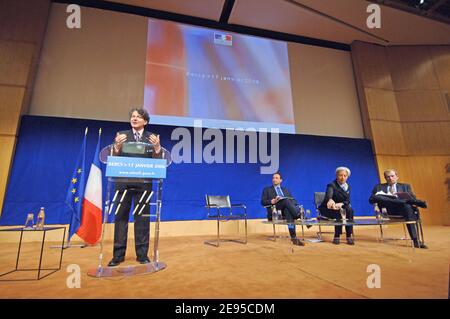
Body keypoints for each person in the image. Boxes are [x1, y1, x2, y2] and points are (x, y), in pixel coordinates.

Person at [108, 108, 163, 267]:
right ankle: (118, 255)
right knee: (121, 219)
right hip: (123, 183)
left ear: (145, 121)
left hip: (144, 184)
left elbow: (158, 160)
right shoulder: (122, 135)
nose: (135, 118)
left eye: (138, 117)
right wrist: (117, 146)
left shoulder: (152, 138)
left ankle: (142, 255)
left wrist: (158, 148)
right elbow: (114, 156)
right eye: (132, 116)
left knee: (142, 220)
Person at [369, 169, 427, 249]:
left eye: (392, 176)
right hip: (388, 210)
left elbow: (412, 198)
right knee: (378, 196)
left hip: (403, 210)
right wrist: (387, 198)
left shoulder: (405, 186)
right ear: (385, 178)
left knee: (407, 207)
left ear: (397, 177)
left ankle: (416, 241)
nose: (390, 178)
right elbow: (371, 200)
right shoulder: (379, 187)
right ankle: (412, 202)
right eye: (388, 177)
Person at [261, 172, 305, 246]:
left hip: (285, 211)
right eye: (273, 178)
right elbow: (263, 202)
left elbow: (293, 200)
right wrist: (272, 201)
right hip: (275, 210)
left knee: (288, 211)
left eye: (276, 178)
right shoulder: (267, 189)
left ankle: (294, 238)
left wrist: (295, 205)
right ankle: (298, 214)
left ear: (281, 180)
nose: (274, 179)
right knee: (285, 200)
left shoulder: (285, 190)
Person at [318, 167, 355, 245]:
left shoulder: (348, 187)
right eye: (340, 175)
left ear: (347, 177)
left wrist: (341, 204)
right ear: (336, 176)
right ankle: (337, 235)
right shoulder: (331, 185)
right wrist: (330, 200)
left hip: (340, 208)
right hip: (327, 208)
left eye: (345, 176)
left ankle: (349, 235)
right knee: (339, 212)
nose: (343, 178)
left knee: (350, 210)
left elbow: (347, 201)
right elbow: (329, 196)